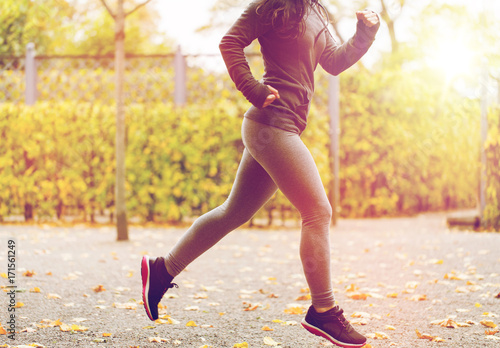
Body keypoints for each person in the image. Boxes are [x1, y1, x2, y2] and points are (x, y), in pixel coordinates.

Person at [142, 0, 380, 347]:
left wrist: (365, 33)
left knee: (233, 212)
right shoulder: (272, 6)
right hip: (271, 126)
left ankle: (162, 270)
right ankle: (324, 311)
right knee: (317, 212)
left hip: (284, 128)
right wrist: (253, 89)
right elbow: (230, 42)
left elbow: (333, 62)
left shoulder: (315, 10)